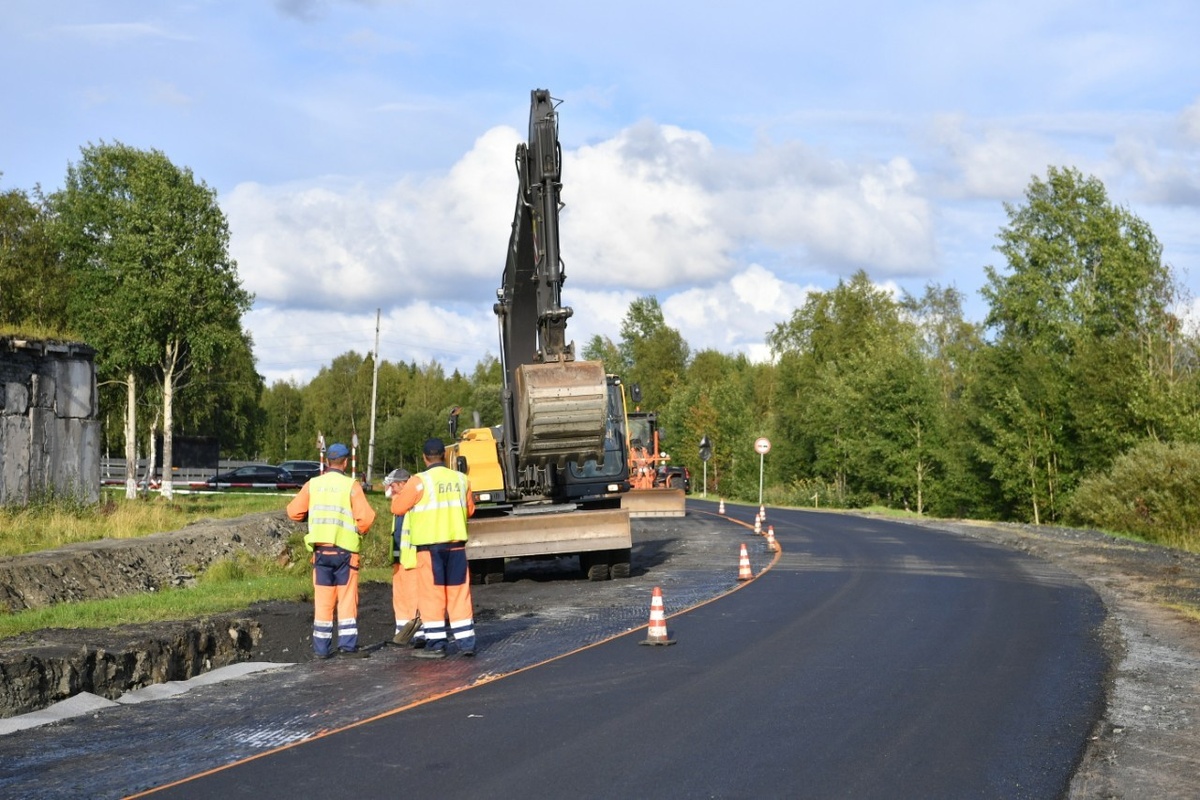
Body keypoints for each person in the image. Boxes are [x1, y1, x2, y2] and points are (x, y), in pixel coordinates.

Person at [286, 442, 376, 659]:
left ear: (327, 462)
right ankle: (347, 646)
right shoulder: (351, 486)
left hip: (321, 552)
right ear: (345, 462)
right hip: (345, 552)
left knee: (323, 601)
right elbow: (367, 518)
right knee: (346, 599)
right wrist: (358, 532)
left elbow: (293, 512)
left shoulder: (313, 484)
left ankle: (321, 649)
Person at [389, 437, 476, 658]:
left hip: (430, 549)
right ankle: (467, 642)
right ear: (445, 456)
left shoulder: (419, 481)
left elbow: (398, 507)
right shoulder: (461, 479)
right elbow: (470, 509)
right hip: (456, 547)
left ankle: (436, 644)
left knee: (432, 595)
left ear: (424, 457)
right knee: (459, 593)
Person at [383, 467, 423, 647]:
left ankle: (419, 634)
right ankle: (402, 632)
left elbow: (399, 509)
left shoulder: (410, 500)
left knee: (414, 596)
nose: (390, 490)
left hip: (412, 558)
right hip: (400, 558)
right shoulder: (400, 499)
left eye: (392, 486)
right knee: (400, 597)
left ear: (402, 484)